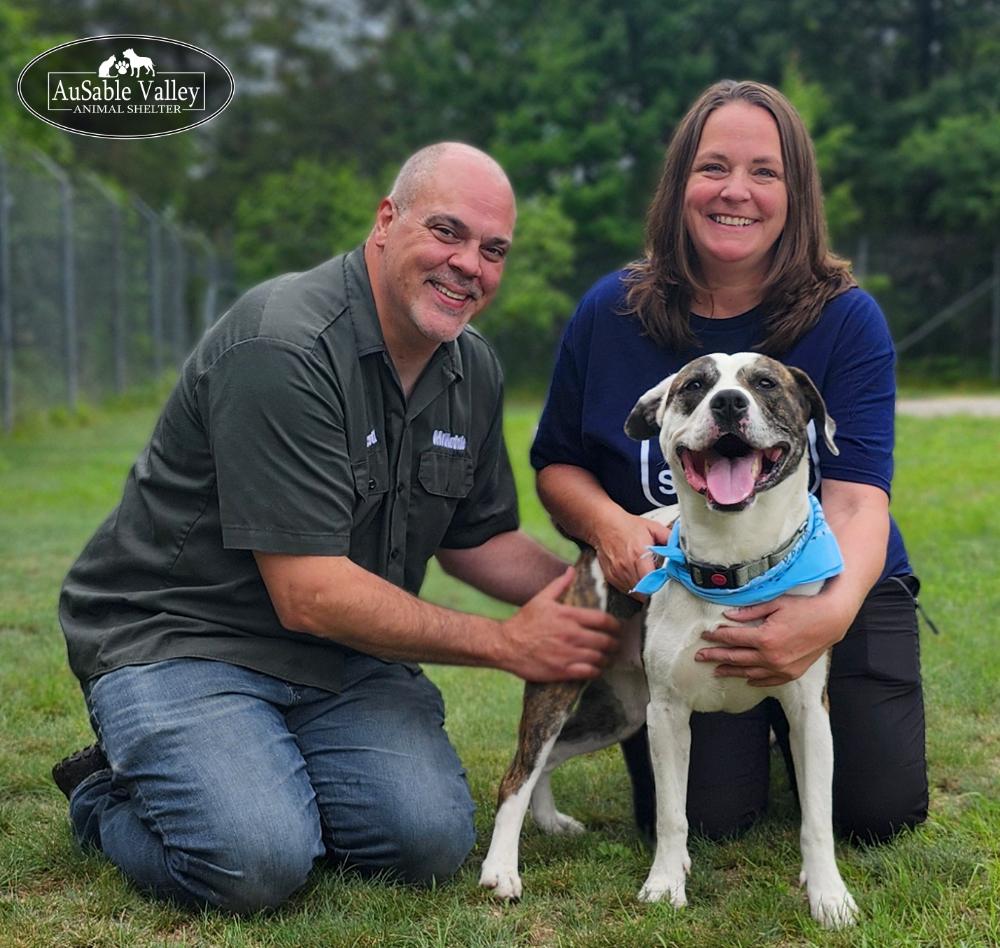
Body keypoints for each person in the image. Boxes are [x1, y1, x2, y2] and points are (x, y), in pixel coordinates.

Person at [53, 142, 622, 913]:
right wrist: (506, 644)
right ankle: (105, 791)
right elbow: (310, 595)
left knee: (426, 842)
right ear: (387, 220)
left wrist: (618, 582)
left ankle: (258, 770)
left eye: (493, 251)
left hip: (346, 659)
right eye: (446, 232)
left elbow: (476, 540)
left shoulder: (471, 368)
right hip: (184, 639)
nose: (469, 265)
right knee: (254, 860)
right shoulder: (282, 344)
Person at [530, 80, 928, 845]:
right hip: (690, 583)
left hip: (831, 573)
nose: (735, 191)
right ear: (679, 184)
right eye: (712, 167)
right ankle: (755, 739)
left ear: (797, 193)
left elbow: (856, 498)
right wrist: (612, 528)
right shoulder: (609, 312)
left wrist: (826, 616)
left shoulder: (847, 318)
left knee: (880, 813)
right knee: (712, 820)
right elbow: (557, 465)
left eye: (764, 172)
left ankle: (803, 714)